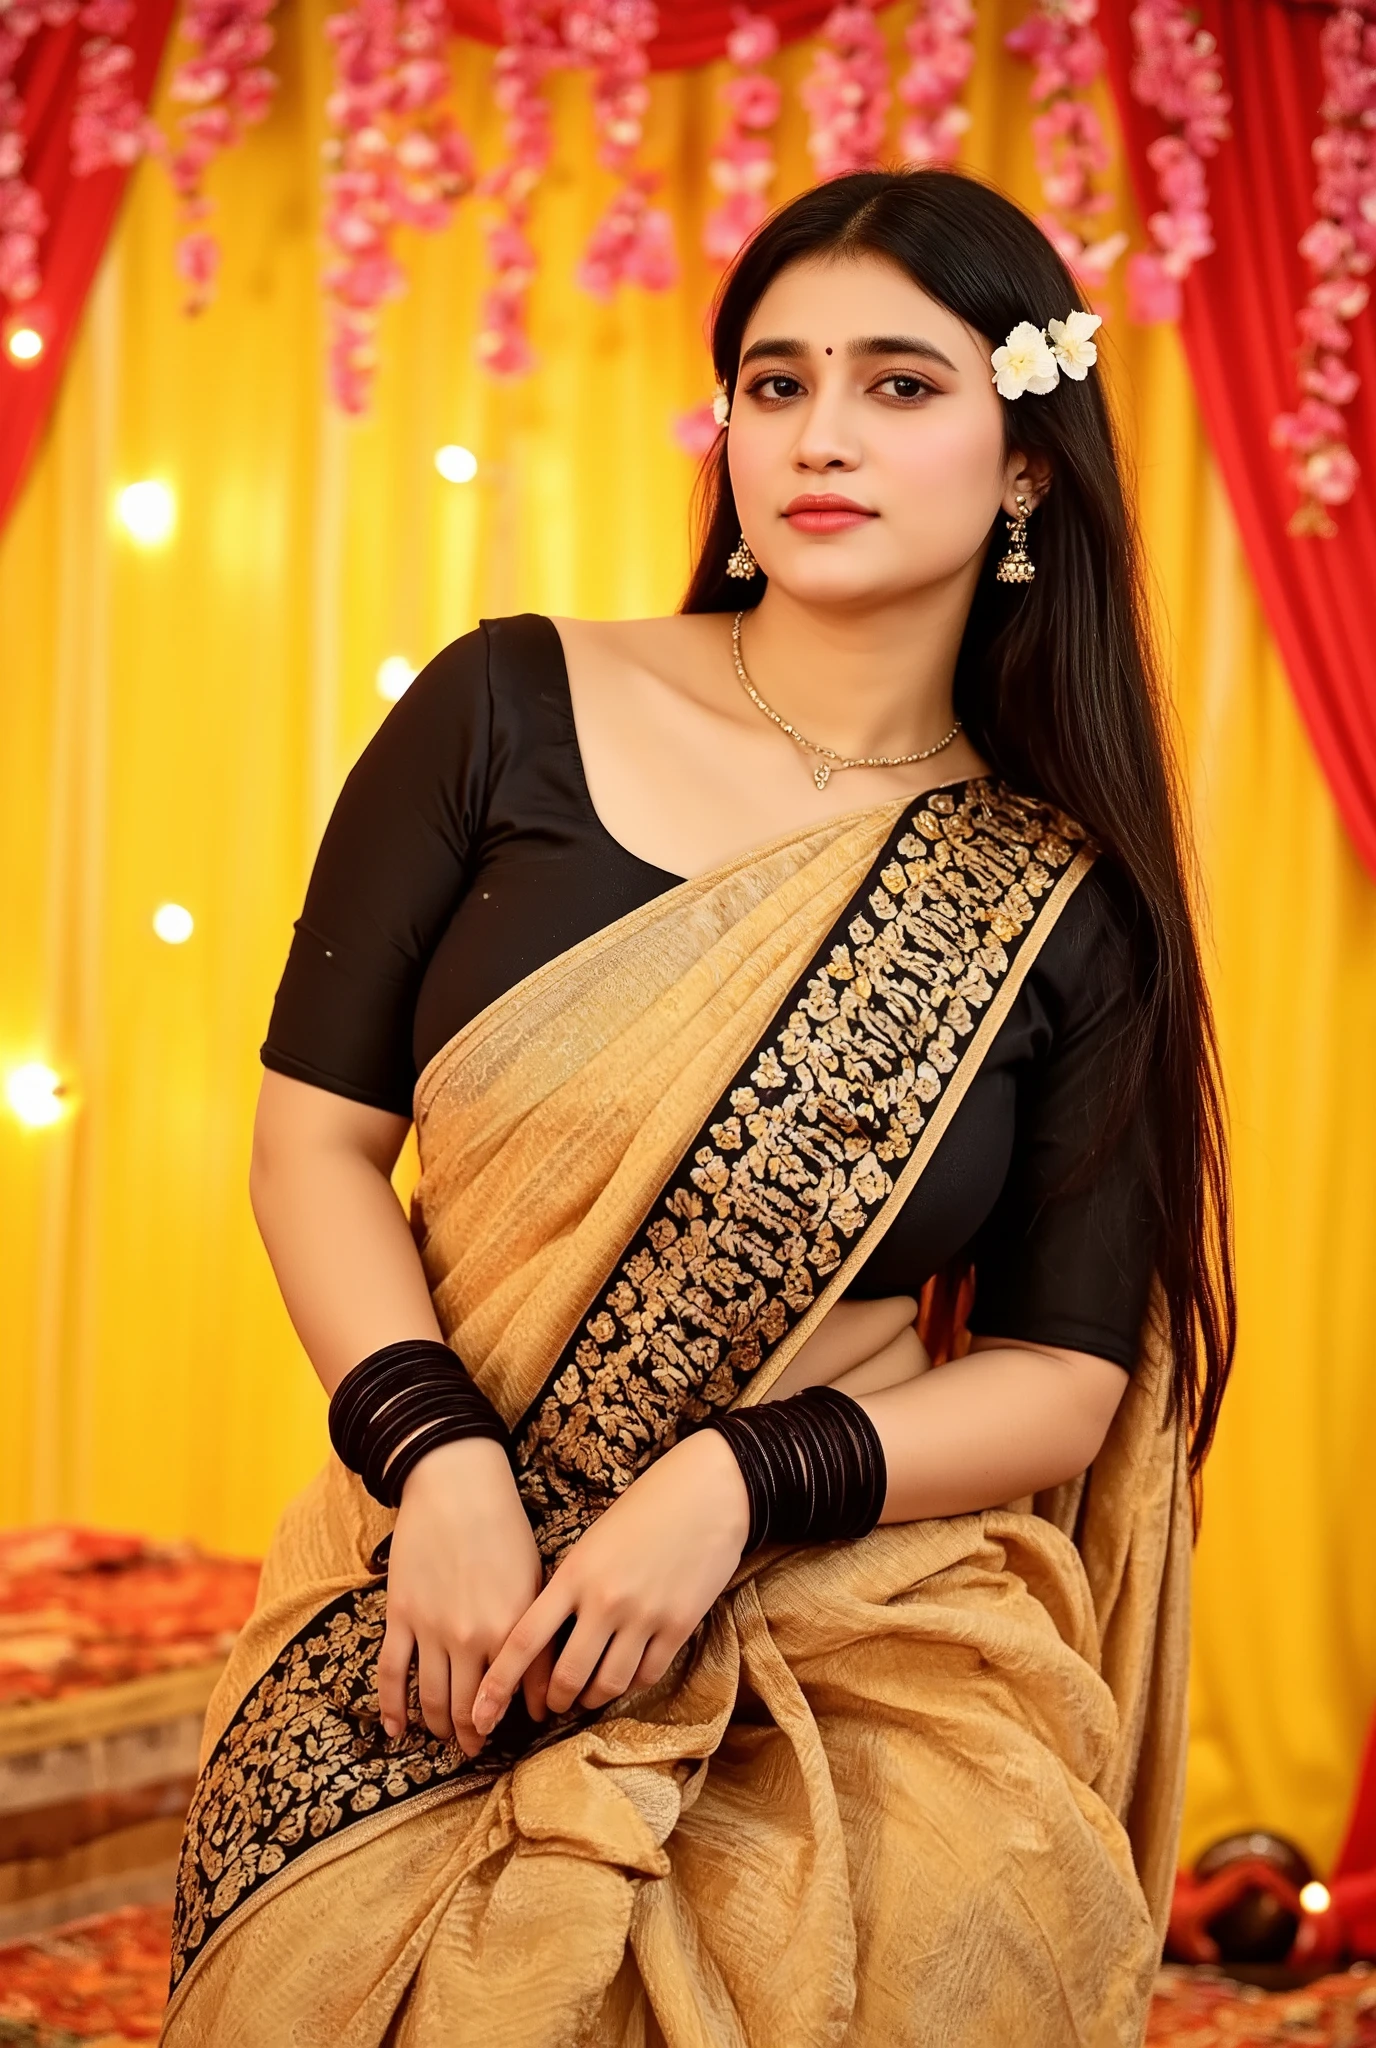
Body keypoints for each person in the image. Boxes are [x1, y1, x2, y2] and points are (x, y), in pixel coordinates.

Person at [160, 168, 1234, 2047]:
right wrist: (442, 1464)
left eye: (902, 385)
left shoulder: (1063, 899)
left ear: (1028, 465)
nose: (821, 435)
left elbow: (1070, 1374)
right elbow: (312, 1141)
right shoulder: (508, 704)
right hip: (439, 1585)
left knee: (955, 1919)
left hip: (853, 1625)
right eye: (774, 381)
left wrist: (738, 1483)